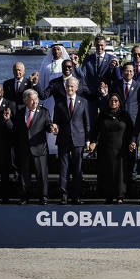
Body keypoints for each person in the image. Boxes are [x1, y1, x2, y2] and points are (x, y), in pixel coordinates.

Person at [8, 89, 54, 205]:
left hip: (39, 149)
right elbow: (14, 130)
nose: (35, 102)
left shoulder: (44, 112)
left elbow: (48, 125)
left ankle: (43, 197)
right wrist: (8, 120)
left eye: (36, 99)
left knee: (42, 175)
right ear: (25, 101)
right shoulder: (20, 112)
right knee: (24, 175)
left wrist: (52, 128)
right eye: (32, 100)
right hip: (24, 149)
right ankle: (24, 197)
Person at [88, 93, 135, 204]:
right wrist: (93, 142)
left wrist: (132, 142)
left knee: (120, 173)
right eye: (111, 100)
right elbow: (95, 130)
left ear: (119, 102)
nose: (113, 102)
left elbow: (132, 131)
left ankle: (120, 196)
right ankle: (108, 196)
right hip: (105, 149)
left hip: (121, 149)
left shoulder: (125, 115)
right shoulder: (102, 115)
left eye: (116, 100)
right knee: (107, 172)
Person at [53, 77, 90, 205]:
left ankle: (76, 196)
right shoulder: (59, 103)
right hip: (63, 139)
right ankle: (63, 195)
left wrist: (88, 140)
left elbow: (87, 123)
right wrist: (55, 126)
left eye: (72, 86)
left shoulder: (83, 102)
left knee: (77, 169)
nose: (69, 89)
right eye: (68, 86)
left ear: (77, 88)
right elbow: (56, 120)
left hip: (78, 139)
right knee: (64, 168)